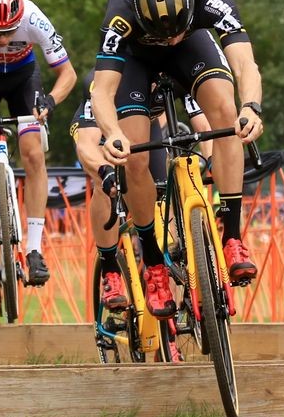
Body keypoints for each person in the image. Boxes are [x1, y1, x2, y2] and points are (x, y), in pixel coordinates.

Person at [90, 0, 264, 319]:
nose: (169, 39)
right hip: (136, 59)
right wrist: (114, 134)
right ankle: (153, 260)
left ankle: (231, 236)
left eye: (175, 31)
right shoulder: (121, 13)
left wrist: (252, 108)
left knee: (226, 114)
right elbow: (103, 91)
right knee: (135, 155)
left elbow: (246, 64)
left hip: (193, 47)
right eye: (161, 34)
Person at [0, 0, 77, 287]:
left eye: (8, 33)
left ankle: (35, 248)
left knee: (34, 153)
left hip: (22, 79)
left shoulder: (34, 19)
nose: (1, 40)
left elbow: (68, 73)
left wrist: (50, 101)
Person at [71, 68, 207, 310]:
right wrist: (104, 172)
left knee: (163, 191)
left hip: (144, 123)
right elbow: (86, 144)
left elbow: (203, 124)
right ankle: (110, 270)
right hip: (103, 129)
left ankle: (171, 283)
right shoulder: (102, 81)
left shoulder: (173, 72)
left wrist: (212, 160)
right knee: (106, 186)